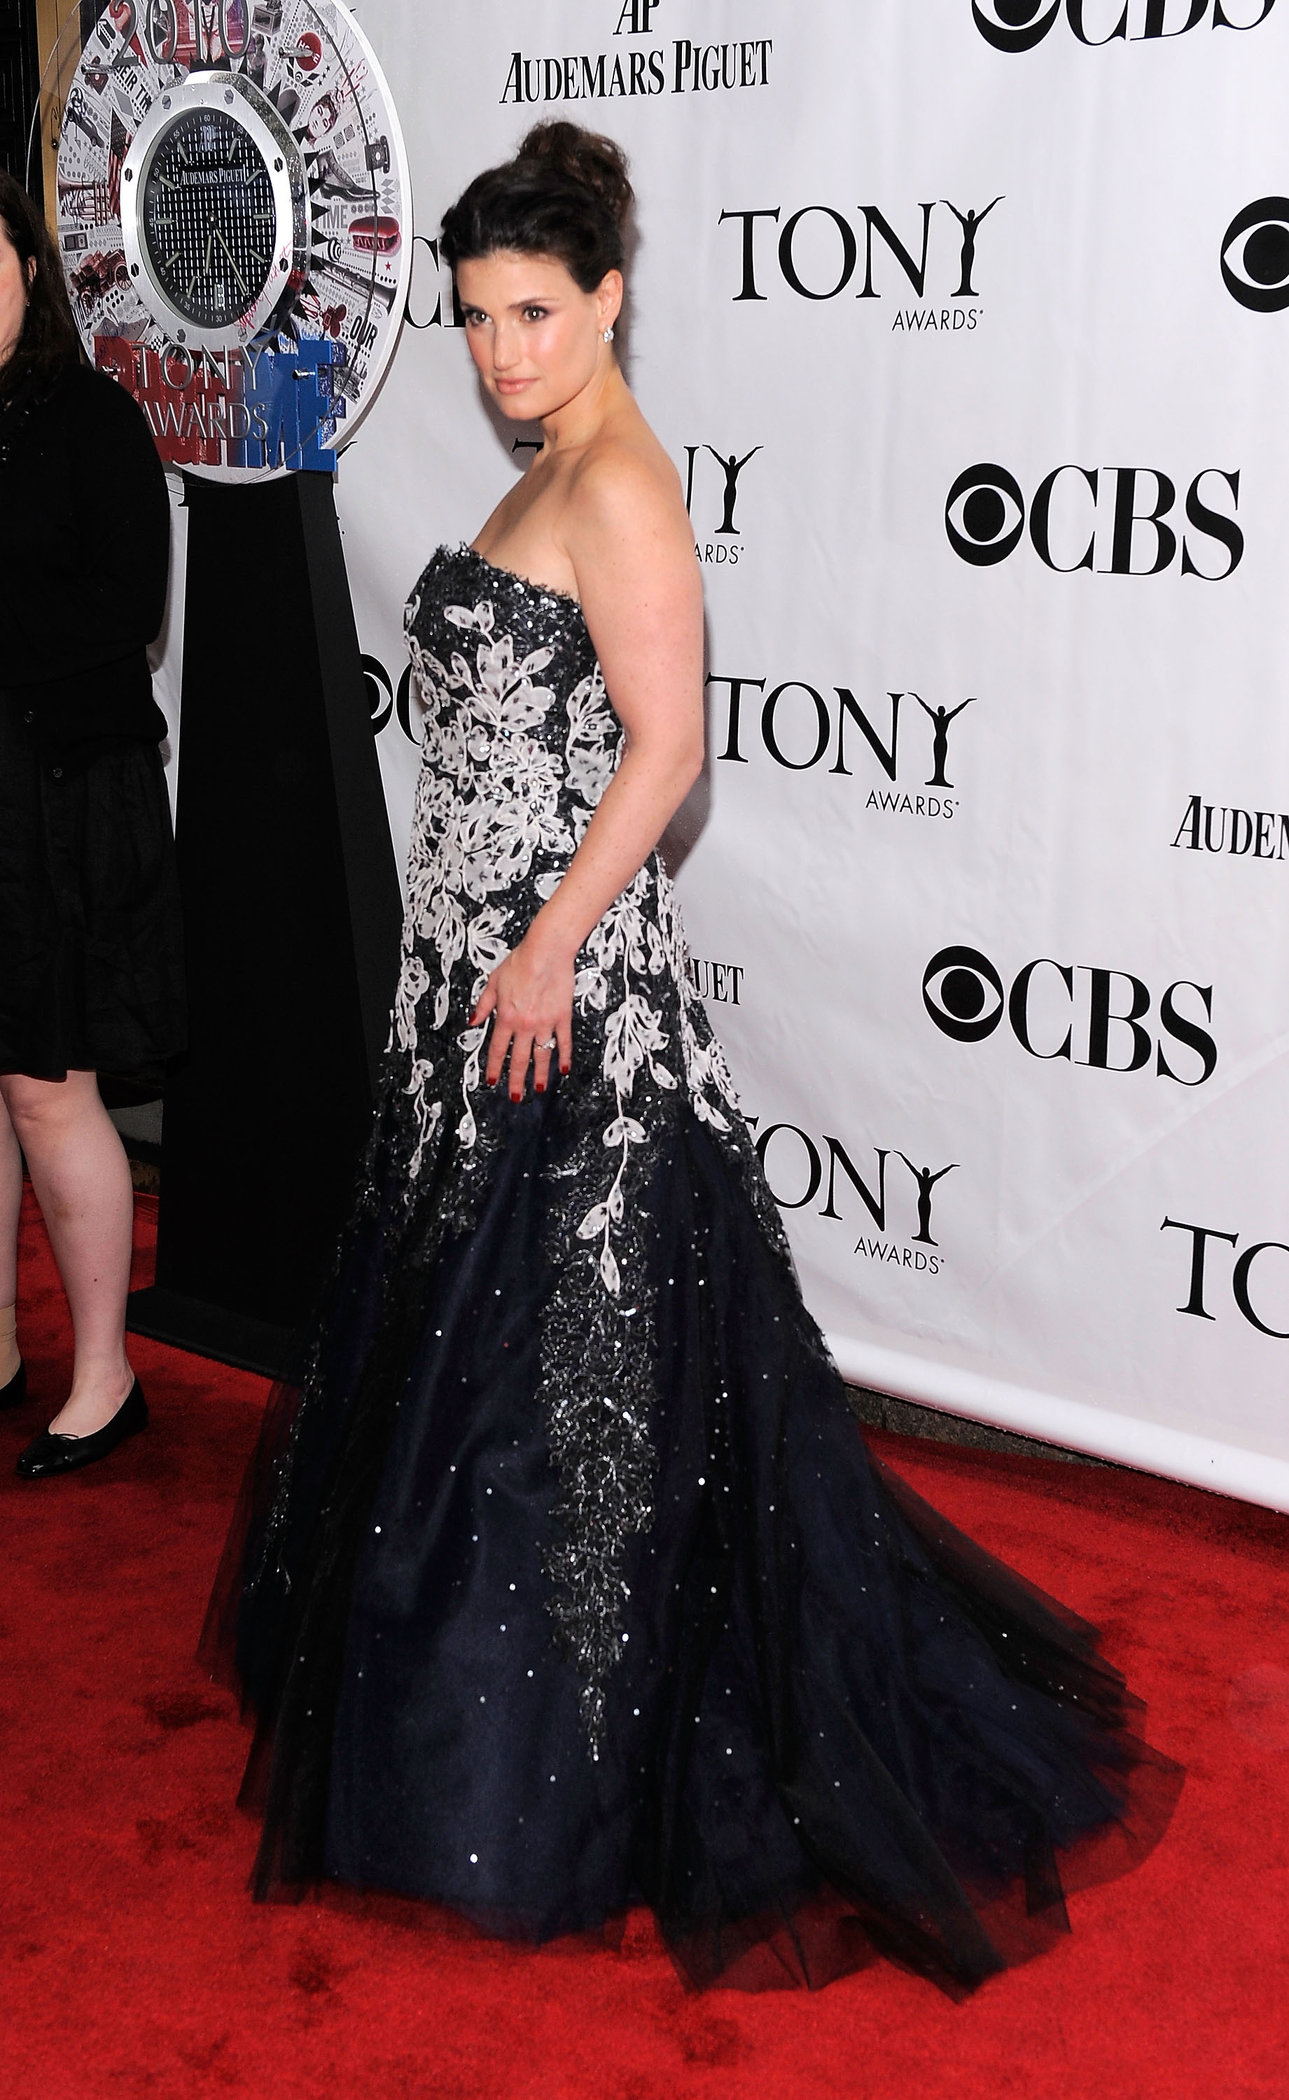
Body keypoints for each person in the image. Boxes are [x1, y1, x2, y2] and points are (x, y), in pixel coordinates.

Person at [205, 123, 1180, 1995]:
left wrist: (549, 947)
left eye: (534, 315)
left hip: (556, 1004)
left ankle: (555, 1767)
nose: (499, 353)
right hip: (472, 989)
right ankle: (470, 1727)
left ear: (609, 301)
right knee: (486, 1379)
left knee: (568, 1392)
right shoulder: (551, 459)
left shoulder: (621, 487)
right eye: (477, 316)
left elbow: (668, 749)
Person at [0, 174, 183, 1479]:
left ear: (27, 268)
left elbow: (127, 612)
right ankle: (1, 1347)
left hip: (58, 796)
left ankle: (105, 1378)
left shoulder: (95, 422)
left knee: (45, 1085)